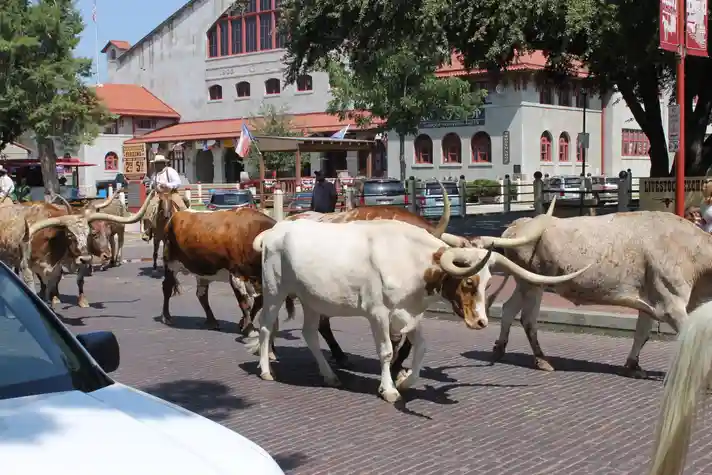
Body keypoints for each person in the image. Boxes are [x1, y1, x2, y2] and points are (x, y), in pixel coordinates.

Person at [141, 154, 187, 241]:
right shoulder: (155, 174)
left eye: (158, 163)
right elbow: (152, 185)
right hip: (159, 195)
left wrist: (167, 185)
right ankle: (148, 231)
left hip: (171, 193)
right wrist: (150, 187)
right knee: (149, 210)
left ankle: (186, 228)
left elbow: (178, 182)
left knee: (182, 207)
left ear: (163, 164)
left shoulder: (170, 171)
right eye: (155, 164)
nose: (156, 166)